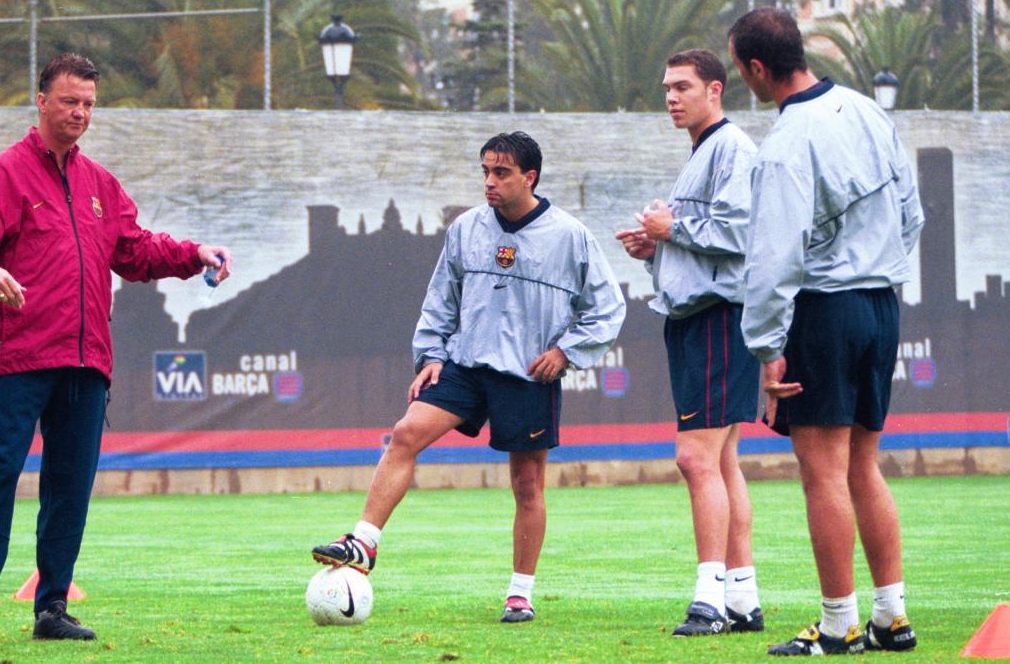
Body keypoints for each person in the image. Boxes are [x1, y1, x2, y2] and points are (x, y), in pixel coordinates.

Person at [0, 53, 232, 646]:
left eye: (89, 104)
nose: (80, 114)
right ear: (41, 102)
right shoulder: (4, 173)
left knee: (69, 487)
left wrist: (192, 253)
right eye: (70, 101)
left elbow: (136, 247)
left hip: (86, 361)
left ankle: (52, 608)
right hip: (18, 357)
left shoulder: (98, 184)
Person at [312, 131, 626, 623]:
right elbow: (442, 297)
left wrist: (566, 352)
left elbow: (607, 309)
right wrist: (432, 353)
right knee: (405, 433)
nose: (490, 182)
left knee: (526, 483)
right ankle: (364, 542)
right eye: (485, 171)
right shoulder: (466, 228)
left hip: (526, 373)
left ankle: (520, 593)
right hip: (466, 364)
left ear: (530, 177)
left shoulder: (570, 236)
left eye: (501, 173)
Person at [728, 8, 923, 656]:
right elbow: (912, 212)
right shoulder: (868, 110)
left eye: (739, 70)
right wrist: (879, 267)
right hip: (880, 303)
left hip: (825, 312)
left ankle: (838, 624)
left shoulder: (784, 144)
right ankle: (891, 617)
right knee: (862, 465)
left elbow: (774, 258)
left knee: (823, 473)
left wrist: (765, 347)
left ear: (758, 68)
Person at [615, 48, 763, 638]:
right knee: (722, 461)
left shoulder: (732, 148)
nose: (672, 97)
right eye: (666, 88)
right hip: (698, 317)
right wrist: (659, 249)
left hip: (719, 319)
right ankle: (744, 599)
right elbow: (709, 241)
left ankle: (709, 600)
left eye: (683, 86)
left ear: (716, 90)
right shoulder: (703, 150)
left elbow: (743, 232)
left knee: (694, 457)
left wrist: (671, 229)